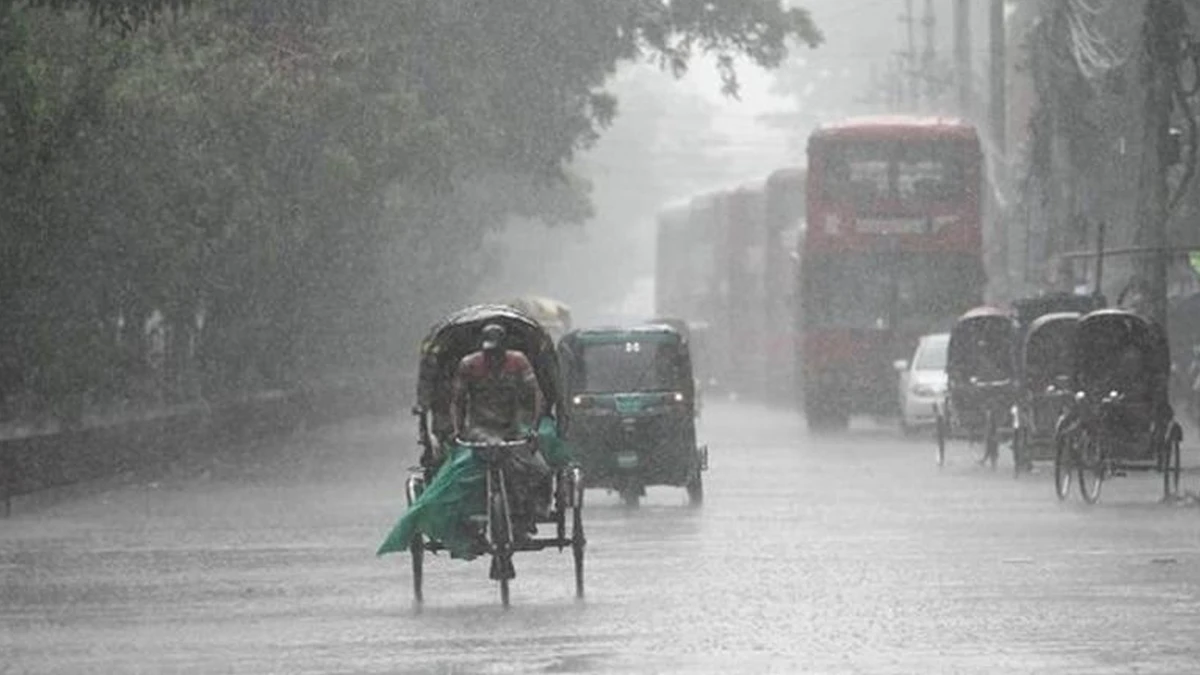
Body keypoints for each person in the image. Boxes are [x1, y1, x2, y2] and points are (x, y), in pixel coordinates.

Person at [449, 322, 551, 526]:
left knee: (541, 471)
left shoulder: (518, 362)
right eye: (489, 353)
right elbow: (457, 400)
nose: (492, 358)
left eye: (496, 353)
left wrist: (533, 428)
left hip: (511, 428)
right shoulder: (469, 365)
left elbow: (536, 395)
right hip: (480, 429)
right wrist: (457, 430)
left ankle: (534, 509)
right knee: (490, 451)